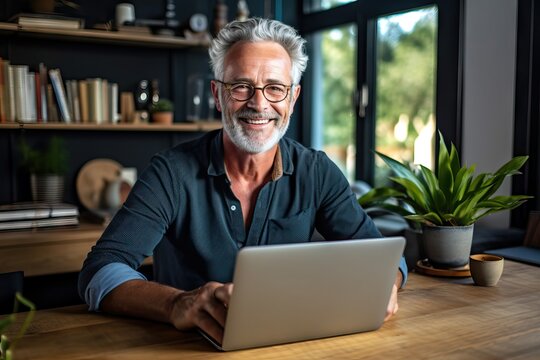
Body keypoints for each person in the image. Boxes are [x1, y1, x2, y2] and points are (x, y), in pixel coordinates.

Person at [78, 17, 408, 344]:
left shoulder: (318, 171)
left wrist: (385, 286)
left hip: (289, 345)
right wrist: (178, 303)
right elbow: (100, 272)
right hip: (184, 350)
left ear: (292, 99)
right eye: (241, 86)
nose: (259, 103)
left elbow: (387, 260)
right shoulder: (170, 172)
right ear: (218, 95)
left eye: (275, 88)